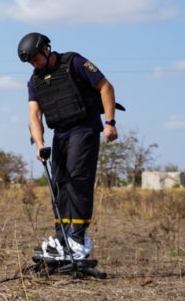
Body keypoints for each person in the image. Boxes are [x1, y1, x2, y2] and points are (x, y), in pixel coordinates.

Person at [18, 32, 118, 260]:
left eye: (35, 58)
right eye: (30, 62)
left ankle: (79, 238)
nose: (34, 64)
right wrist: (40, 144)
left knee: (77, 178)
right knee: (59, 183)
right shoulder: (35, 81)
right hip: (60, 134)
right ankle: (62, 239)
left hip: (84, 129)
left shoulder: (73, 62)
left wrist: (110, 123)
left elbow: (106, 87)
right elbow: (34, 114)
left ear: (46, 49)